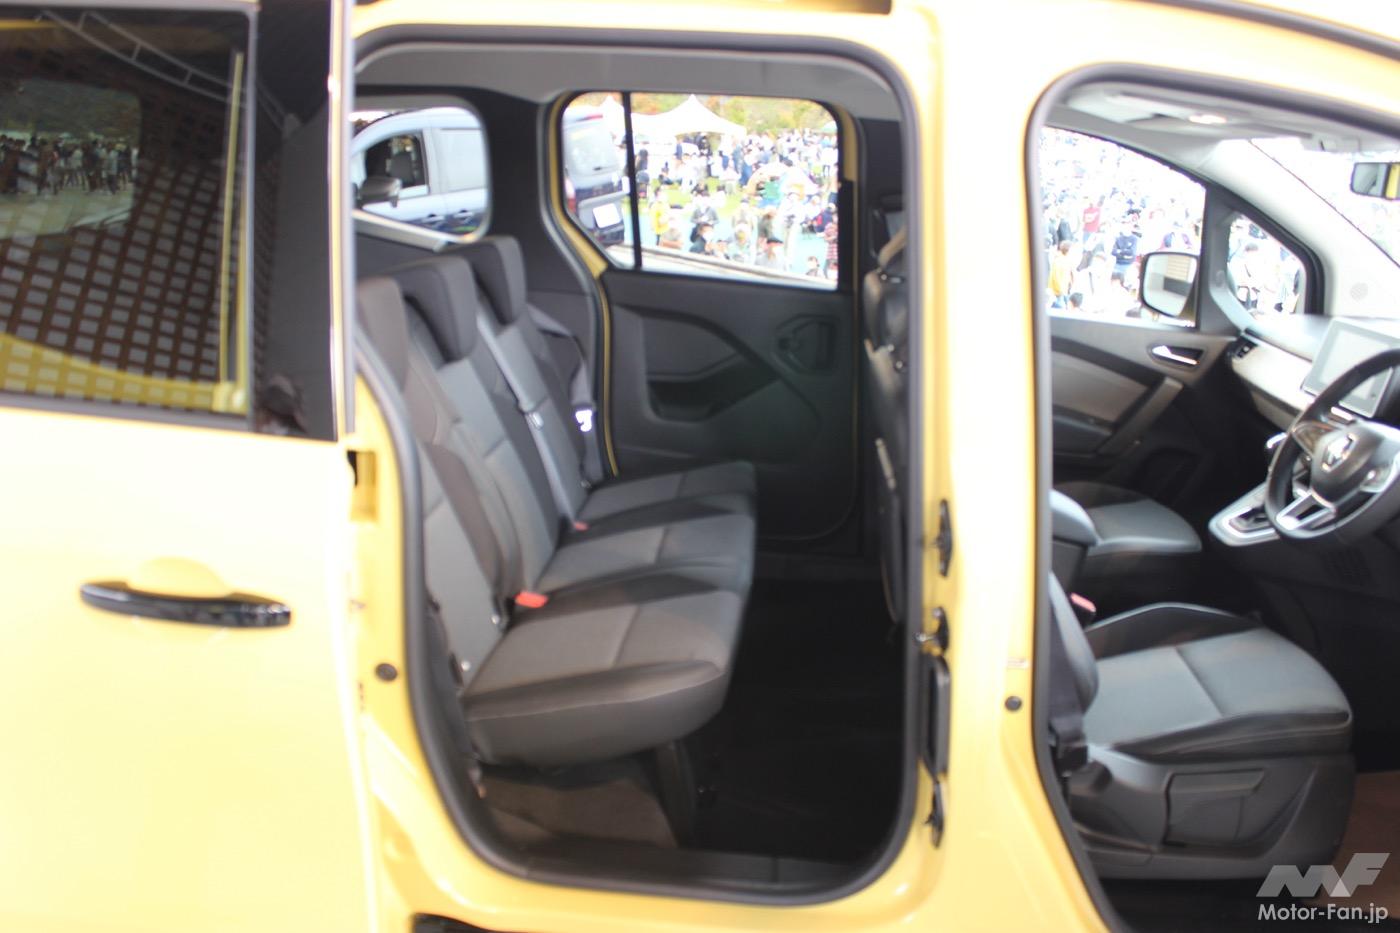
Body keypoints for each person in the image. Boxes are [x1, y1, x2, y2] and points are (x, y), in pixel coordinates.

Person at [1049, 239, 1076, 309]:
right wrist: (1061, 291)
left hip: (1062, 292)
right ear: (1068, 250)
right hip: (1058, 294)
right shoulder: (1059, 261)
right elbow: (1056, 278)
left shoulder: (1066, 260)